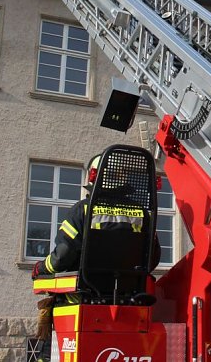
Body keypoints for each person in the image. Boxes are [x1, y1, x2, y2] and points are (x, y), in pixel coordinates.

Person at [31, 153, 161, 361]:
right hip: (130, 302)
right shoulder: (142, 213)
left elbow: (62, 256)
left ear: (93, 176)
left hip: (83, 299)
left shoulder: (83, 209)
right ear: (124, 178)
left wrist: (41, 268)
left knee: (49, 352)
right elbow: (152, 259)